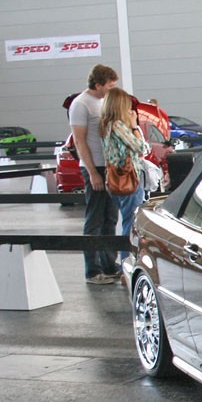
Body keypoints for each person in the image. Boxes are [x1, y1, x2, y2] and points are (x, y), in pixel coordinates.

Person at [69, 64, 119, 284]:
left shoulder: (102, 102)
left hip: (108, 167)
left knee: (110, 218)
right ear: (98, 85)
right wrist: (92, 173)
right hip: (95, 167)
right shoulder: (80, 104)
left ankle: (109, 265)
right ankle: (92, 271)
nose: (111, 90)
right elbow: (79, 141)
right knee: (94, 220)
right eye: (109, 86)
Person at [100, 87, 150, 259]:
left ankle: (124, 262)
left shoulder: (105, 125)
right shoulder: (118, 125)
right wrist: (134, 126)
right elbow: (141, 147)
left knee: (127, 220)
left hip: (113, 179)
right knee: (131, 223)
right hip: (129, 179)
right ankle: (126, 263)